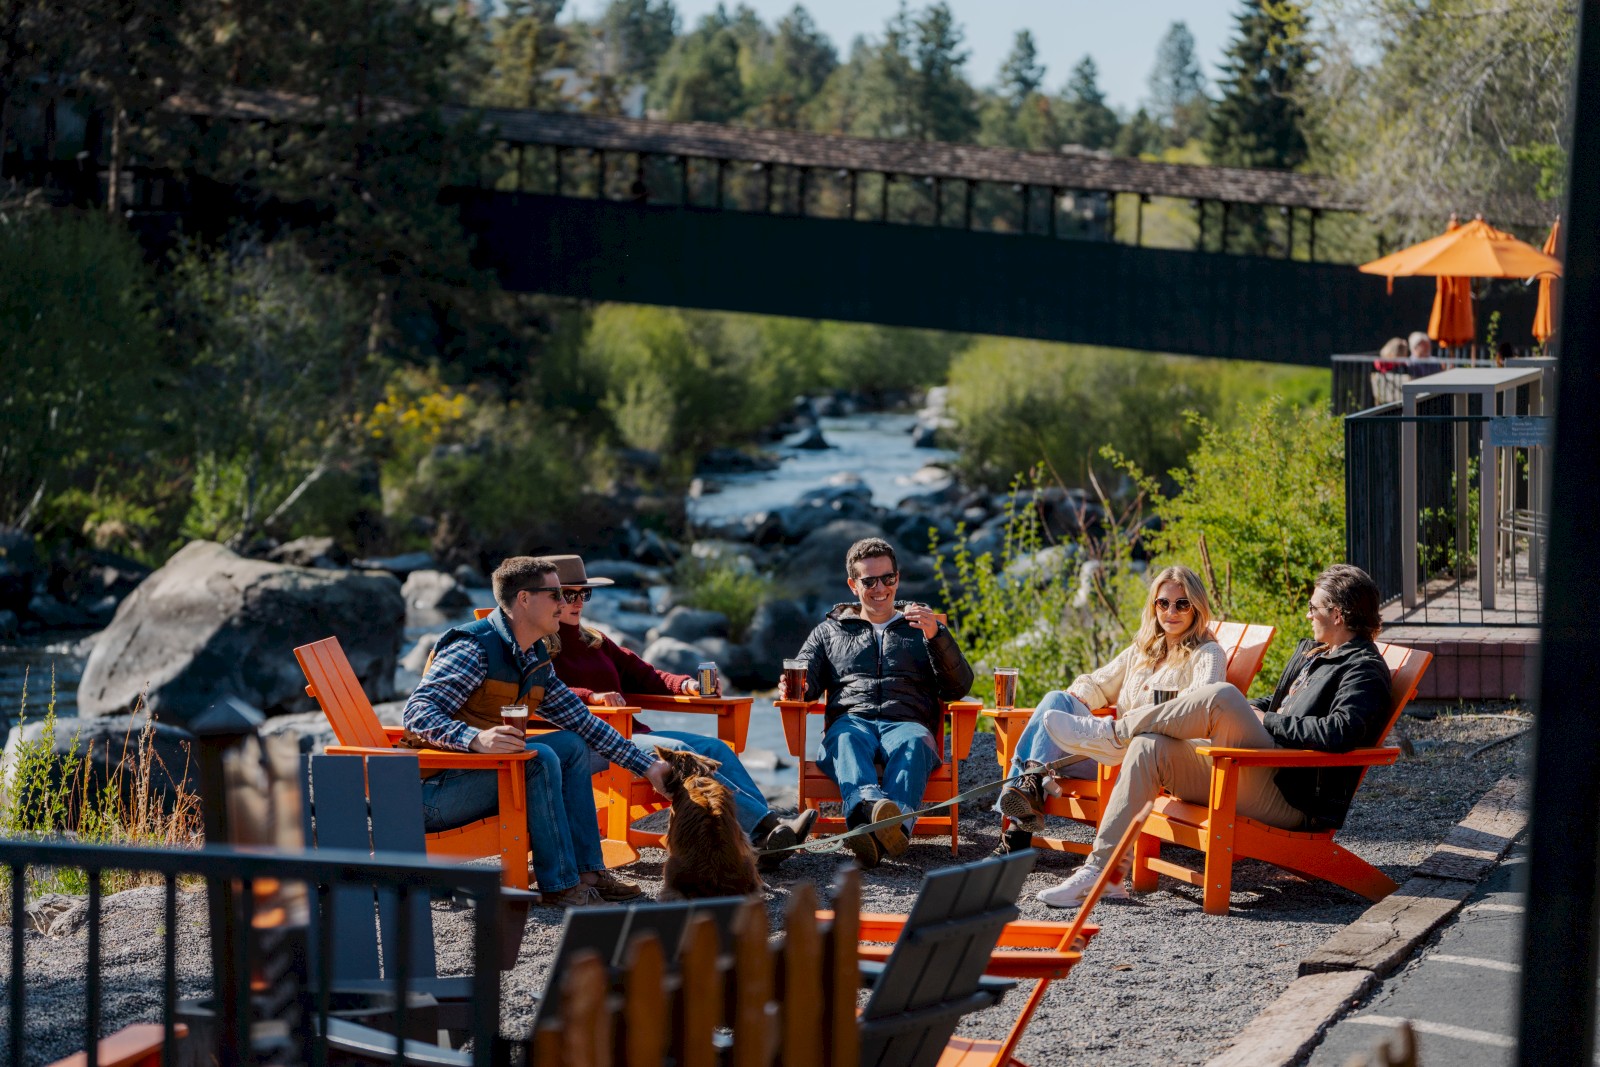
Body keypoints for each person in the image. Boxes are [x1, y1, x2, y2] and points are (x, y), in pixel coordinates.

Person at [1034, 564, 1393, 909]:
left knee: (1221, 694)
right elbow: (1275, 702)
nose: (1307, 615)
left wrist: (1264, 720)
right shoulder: (1314, 652)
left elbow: (1341, 732)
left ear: (1338, 614)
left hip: (1290, 792)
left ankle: (1113, 733)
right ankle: (1104, 873)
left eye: (1313, 608)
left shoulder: (1363, 669)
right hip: (1257, 769)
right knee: (1147, 747)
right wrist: (1254, 710)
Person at [403, 556, 673, 908]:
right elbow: (417, 712)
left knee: (571, 743)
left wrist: (648, 767)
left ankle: (588, 873)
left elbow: (583, 721)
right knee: (540, 756)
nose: (565, 604)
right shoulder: (474, 648)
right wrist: (474, 738)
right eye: (556, 595)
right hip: (434, 794)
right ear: (524, 599)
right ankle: (560, 885)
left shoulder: (534, 656)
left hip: (486, 776)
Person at [544, 554, 816, 868]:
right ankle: (767, 830)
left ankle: (762, 839)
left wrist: (687, 686)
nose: (578, 602)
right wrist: (592, 697)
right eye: (569, 594)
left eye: (584, 594)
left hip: (630, 734)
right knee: (678, 751)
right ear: (546, 598)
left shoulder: (595, 641)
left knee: (713, 748)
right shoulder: (537, 646)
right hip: (589, 743)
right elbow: (544, 692)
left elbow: (648, 675)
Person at [991, 565, 1226, 857]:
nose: (1171, 611)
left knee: (1042, 746)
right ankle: (1029, 786)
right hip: (1107, 749)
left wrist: (1145, 720)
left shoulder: (1207, 655)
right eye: (1163, 603)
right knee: (1057, 699)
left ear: (1196, 607)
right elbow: (1097, 683)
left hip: (1145, 759)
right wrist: (1079, 698)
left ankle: (1017, 826)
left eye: (1182, 604)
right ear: (1154, 607)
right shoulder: (1144, 651)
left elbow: (1202, 707)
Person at [780, 537, 975, 869]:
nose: (880, 588)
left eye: (888, 578)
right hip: (852, 722)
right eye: (869, 581)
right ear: (853, 585)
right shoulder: (830, 631)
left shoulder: (922, 627)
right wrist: (791, 687)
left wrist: (938, 637)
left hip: (907, 724)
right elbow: (805, 685)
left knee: (913, 744)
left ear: (898, 578)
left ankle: (876, 827)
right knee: (845, 738)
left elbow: (959, 687)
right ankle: (877, 817)